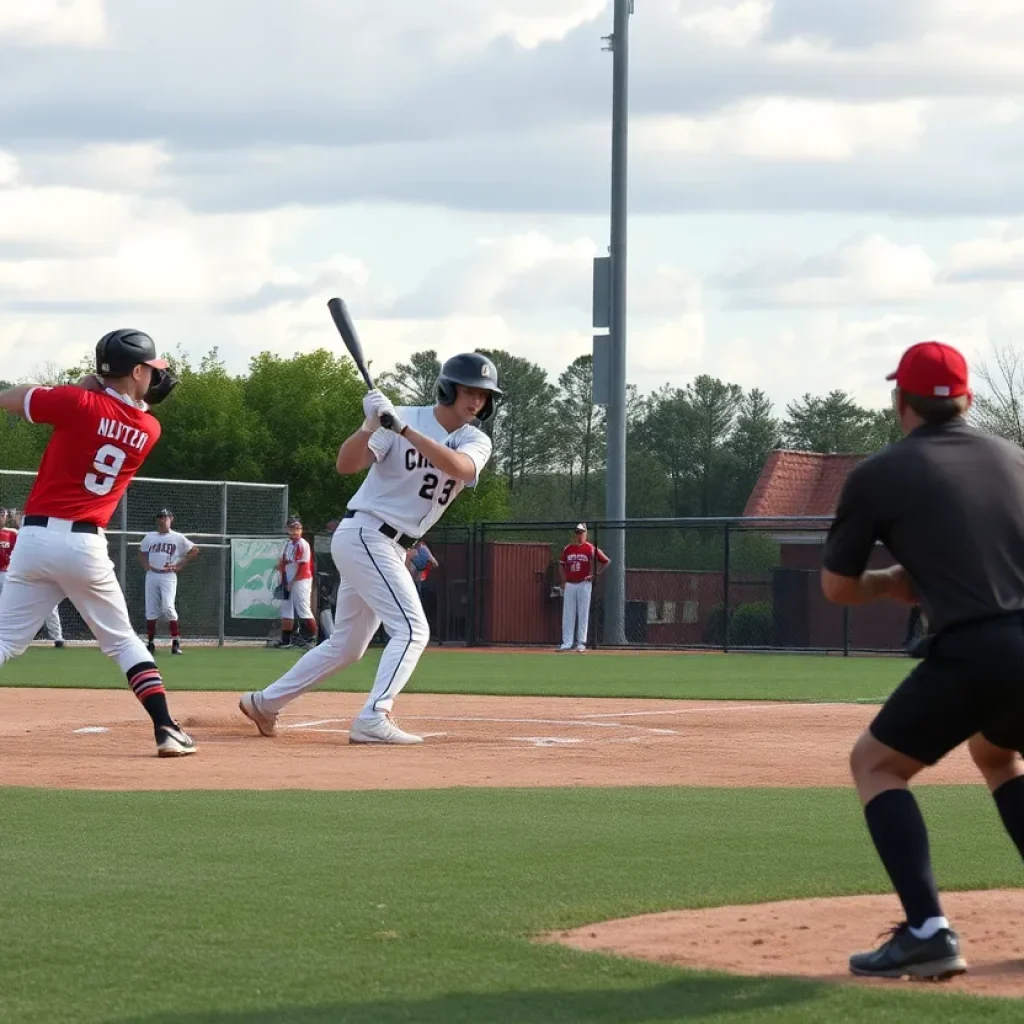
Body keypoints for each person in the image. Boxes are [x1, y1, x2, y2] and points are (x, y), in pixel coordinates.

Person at [821, 339, 1024, 981]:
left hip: (976, 646)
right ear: (967, 399)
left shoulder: (880, 474)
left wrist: (890, 581)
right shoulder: (1017, 460)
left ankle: (927, 930)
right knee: (997, 752)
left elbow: (837, 587)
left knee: (876, 763)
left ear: (899, 402)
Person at [239, 352, 500, 745]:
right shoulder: (399, 417)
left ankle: (265, 703)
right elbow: (346, 464)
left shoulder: (473, 438)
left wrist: (405, 431)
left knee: (347, 646)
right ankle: (374, 715)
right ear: (448, 388)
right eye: (469, 391)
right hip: (366, 533)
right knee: (413, 630)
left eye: (483, 395)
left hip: (392, 546)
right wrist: (368, 427)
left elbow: (461, 469)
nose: (477, 400)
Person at [0, 329, 195, 757]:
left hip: (32, 538)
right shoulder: (149, 427)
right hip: (83, 544)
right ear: (137, 370)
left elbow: (11, 398)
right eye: (151, 370)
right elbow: (117, 410)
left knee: (4, 641)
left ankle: (168, 728)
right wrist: (92, 390)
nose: (157, 377)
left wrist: (78, 388)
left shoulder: (76, 401)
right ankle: (166, 728)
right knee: (123, 641)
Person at [0, 509, 65, 647]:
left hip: (30, 573)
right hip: (13, 574)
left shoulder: (14, 533)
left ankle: (57, 637)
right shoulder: (15, 533)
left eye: (3, 515)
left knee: (48, 603)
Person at [139, 508, 199, 655]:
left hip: (168, 575)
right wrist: (145, 564)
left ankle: (175, 642)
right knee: (151, 610)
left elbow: (194, 550)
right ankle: (151, 644)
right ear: (157, 520)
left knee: (167, 607)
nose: (163, 519)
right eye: (160, 517)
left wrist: (180, 564)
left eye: (165, 517)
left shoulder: (177, 537)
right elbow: (141, 552)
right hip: (152, 574)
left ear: (171, 519)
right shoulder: (150, 536)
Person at [557, 523, 610, 652]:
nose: (579, 535)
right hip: (570, 583)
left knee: (583, 613)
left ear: (586, 533)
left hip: (584, 583)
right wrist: (563, 581)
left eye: (581, 532)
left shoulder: (590, 548)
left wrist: (595, 574)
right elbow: (561, 565)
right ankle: (567, 642)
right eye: (577, 532)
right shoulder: (568, 548)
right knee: (568, 614)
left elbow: (606, 561)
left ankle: (581, 643)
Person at [273, 517, 317, 648]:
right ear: (287, 530)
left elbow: (303, 566)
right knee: (286, 610)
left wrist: (292, 581)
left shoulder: (303, 544)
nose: (295, 531)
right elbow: (284, 562)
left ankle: (311, 639)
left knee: (302, 607)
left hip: (301, 580)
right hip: (288, 580)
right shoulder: (289, 544)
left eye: (298, 528)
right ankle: (286, 640)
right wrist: (283, 578)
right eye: (292, 528)